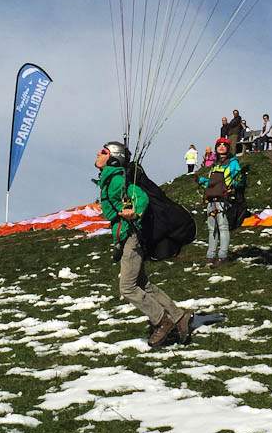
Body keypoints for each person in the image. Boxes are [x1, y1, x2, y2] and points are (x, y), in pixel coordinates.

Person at [96, 142, 192, 348]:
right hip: (127, 235)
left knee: (127, 287)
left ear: (113, 158)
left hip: (131, 236)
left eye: (103, 152)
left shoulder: (116, 179)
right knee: (142, 284)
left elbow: (140, 196)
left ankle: (162, 321)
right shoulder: (110, 179)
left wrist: (135, 212)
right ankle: (178, 316)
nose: (98, 153)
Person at [197, 137, 245, 267]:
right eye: (219, 145)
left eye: (224, 145)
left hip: (224, 200)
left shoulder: (233, 163)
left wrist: (234, 186)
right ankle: (210, 256)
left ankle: (222, 256)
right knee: (212, 229)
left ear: (228, 148)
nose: (221, 147)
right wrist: (202, 181)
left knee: (223, 228)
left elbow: (239, 180)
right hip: (211, 200)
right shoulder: (215, 165)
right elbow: (212, 183)